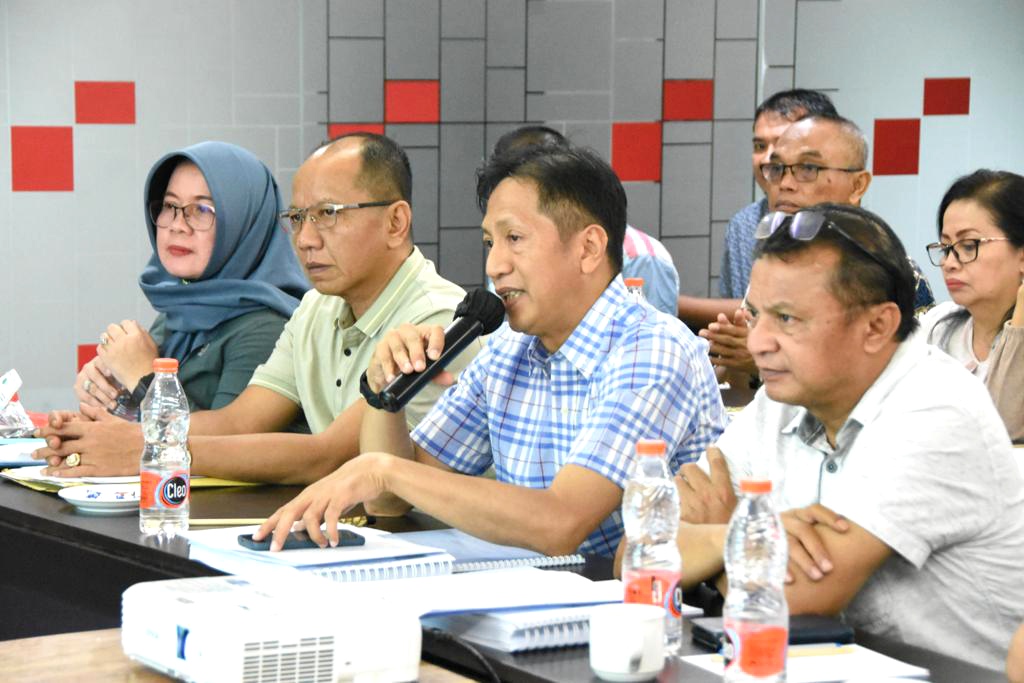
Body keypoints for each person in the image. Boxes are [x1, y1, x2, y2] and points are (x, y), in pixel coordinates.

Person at [253, 145, 726, 556]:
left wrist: (384, 471)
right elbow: (390, 502)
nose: (495, 265)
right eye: (489, 242)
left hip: (644, 606)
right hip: (535, 592)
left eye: (514, 239)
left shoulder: (650, 350)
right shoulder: (509, 348)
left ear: (588, 248)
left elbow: (560, 523)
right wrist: (383, 394)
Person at [661, 204, 1024, 671]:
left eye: (787, 319)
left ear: (877, 326)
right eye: (755, 316)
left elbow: (794, 600)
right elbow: (640, 549)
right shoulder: (782, 397)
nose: (757, 343)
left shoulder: (935, 407)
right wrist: (734, 536)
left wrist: (711, 543)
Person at [35, 133, 477, 484]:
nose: (306, 239)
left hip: (430, 546)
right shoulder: (316, 308)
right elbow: (240, 422)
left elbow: (329, 456)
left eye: (328, 213)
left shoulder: (440, 321)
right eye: (297, 218)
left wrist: (149, 449)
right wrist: (115, 435)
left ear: (396, 222)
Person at [75, 141, 308, 414]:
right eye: (170, 205)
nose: (177, 225)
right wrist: (108, 393)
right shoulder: (182, 309)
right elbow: (139, 425)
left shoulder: (268, 328)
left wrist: (144, 378)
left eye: (202, 210)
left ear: (245, 224)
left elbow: (229, 439)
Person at [700, 114, 935, 379]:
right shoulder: (775, 268)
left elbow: (907, 383)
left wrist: (765, 362)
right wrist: (732, 357)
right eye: (777, 168)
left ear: (857, 186)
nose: (785, 184)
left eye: (808, 168)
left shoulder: (887, 274)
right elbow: (742, 385)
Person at [676, 89, 837, 330]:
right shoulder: (744, 224)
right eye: (760, 146)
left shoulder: (846, 229)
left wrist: (666, 300)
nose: (768, 158)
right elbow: (741, 317)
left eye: (782, 143)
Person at [491, 125, 681, 316]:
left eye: (515, 238)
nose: (493, 268)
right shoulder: (502, 253)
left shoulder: (642, 258)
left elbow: (649, 327)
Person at [918, 169, 1024, 443]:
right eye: (945, 247)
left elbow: (1006, 433)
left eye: (968, 246)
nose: (949, 263)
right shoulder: (936, 326)